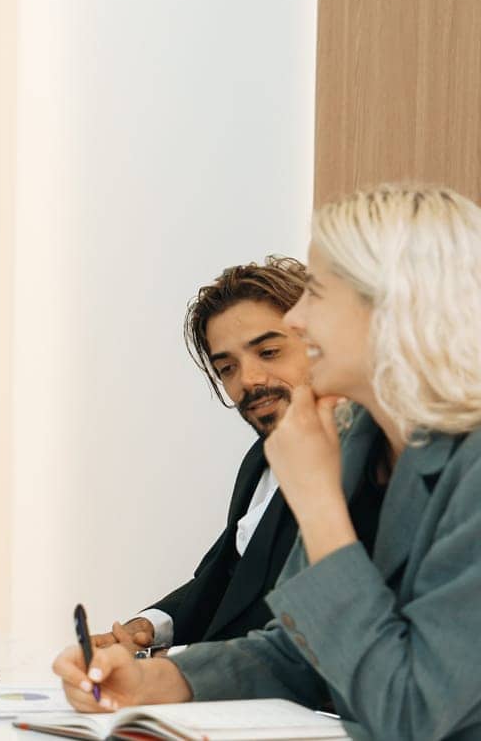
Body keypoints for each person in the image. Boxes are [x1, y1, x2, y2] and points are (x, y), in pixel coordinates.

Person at [54, 184, 481, 739]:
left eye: (318, 294)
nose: (298, 319)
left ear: (397, 303)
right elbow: (303, 651)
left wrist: (318, 503)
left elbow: (412, 710)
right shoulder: (360, 446)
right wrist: (156, 682)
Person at [92, 258, 309, 653]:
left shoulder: (368, 465)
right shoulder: (259, 459)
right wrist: (147, 627)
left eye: (270, 352)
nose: (249, 380)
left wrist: (175, 666)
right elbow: (226, 576)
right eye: (227, 367)